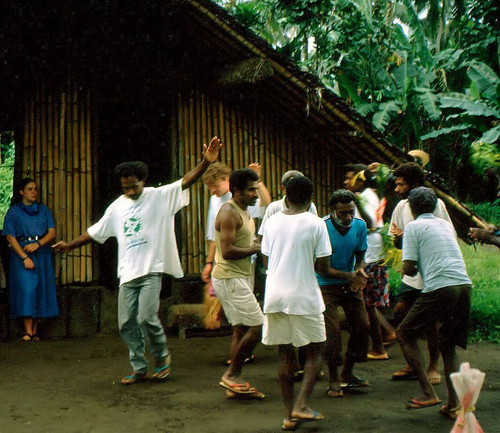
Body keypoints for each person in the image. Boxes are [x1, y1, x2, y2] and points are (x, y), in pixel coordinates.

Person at [53, 137, 222, 384]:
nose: (130, 192)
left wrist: (205, 163)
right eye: (126, 188)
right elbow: (95, 231)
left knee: (145, 317)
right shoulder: (116, 207)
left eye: (134, 186)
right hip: (127, 274)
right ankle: (139, 366)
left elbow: (186, 181)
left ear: (143, 181)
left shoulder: (157, 196)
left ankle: (161, 357)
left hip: (151, 270)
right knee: (126, 324)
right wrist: (69, 245)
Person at [261, 176, 331, 430]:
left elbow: (267, 262)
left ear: (285, 196)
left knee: (285, 353)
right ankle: (302, 404)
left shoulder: (271, 222)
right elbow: (323, 266)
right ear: (311, 198)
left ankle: (289, 415)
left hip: (274, 294)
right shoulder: (316, 223)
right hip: (303, 294)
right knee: (316, 350)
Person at [397, 187, 472, 418]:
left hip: (441, 287)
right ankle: (453, 405)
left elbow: (409, 268)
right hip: (464, 286)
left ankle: (428, 393)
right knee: (447, 346)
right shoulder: (446, 225)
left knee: (404, 333)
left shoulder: (413, 227)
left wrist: (408, 266)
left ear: (411, 207)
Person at [389, 162, 451, 384]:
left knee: (431, 322)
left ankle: (433, 366)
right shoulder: (400, 207)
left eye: (401, 184)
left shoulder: (436, 205)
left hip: (431, 273)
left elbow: (444, 235)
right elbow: (396, 240)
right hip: (411, 274)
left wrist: (407, 235)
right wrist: (400, 238)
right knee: (401, 313)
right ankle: (413, 363)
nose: (397, 189)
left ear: (414, 184)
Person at [212, 168, 264, 396]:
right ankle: (231, 375)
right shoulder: (228, 213)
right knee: (259, 326)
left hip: (241, 276)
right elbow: (228, 251)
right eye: (251, 190)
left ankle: (233, 381)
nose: (256, 194)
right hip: (230, 278)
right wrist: (257, 248)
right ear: (236, 191)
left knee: (240, 330)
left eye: (256, 188)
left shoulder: (244, 210)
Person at [316, 189, 370, 398]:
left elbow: (360, 255)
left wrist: (359, 270)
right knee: (333, 331)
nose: (348, 217)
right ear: (332, 211)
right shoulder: (321, 227)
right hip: (326, 283)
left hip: (349, 283)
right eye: (342, 213)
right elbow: (322, 268)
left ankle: (348, 371)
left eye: (351, 212)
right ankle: (333, 377)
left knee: (362, 326)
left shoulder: (360, 225)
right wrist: (350, 276)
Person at [344, 164, 394, 360]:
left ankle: (378, 347)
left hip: (370, 256)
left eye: (349, 178)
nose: (346, 182)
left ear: (361, 179)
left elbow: (370, 223)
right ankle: (387, 333)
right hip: (374, 252)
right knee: (369, 302)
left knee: (368, 304)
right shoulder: (369, 194)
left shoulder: (363, 198)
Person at [2, 178, 58, 341]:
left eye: (35, 189)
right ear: (21, 192)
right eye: (29, 189)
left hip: (42, 252)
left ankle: (34, 331)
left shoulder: (43, 210)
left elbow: (52, 232)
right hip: (22, 252)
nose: (33, 192)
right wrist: (24, 256)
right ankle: (27, 331)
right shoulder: (13, 212)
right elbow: (10, 237)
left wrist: (39, 244)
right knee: (27, 289)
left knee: (41, 288)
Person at [201, 162, 271, 283]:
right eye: (209, 186)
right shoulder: (214, 200)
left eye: (215, 185)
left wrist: (257, 179)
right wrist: (209, 262)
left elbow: (266, 202)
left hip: (245, 257)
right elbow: (213, 235)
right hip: (222, 260)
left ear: (226, 179)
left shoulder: (242, 195)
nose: (212, 190)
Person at [257, 170, 317, 242]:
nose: (297, 192)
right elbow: (262, 236)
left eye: (300, 189)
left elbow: (315, 233)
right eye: (293, 189)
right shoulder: (274, 208)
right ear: (283, 189)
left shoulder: (310, 206)